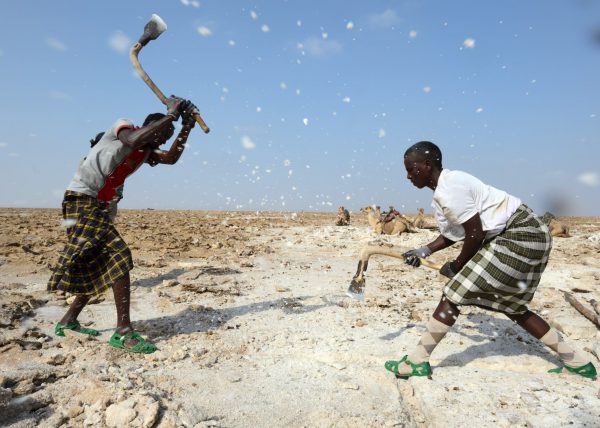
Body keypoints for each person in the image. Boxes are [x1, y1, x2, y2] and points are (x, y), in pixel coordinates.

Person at [384, 141, 596, 379]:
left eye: (411, 169)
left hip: (519, 235)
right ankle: (577, 363)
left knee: (453, 293)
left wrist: (456, 266)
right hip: (527, 234)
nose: (408, 176)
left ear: (427, 164)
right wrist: (424, 250)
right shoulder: (446, 189)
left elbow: (475, 233)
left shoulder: (449, 189)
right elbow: (456, 233)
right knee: (512, 306)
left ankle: (417, 361)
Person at [47, 96, 197, 353]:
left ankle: (68, 321)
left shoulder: (146, 151)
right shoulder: (124, 128)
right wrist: (171, 115)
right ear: (151, 125)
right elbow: (132, 140)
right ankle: (123, 331)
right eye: (162, 132)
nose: (163, 138)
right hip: (81, 200)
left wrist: (185, 128)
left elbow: (171, 158)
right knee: (118, 256)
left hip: (97, 207)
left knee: (96, 263)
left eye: (166, 135)